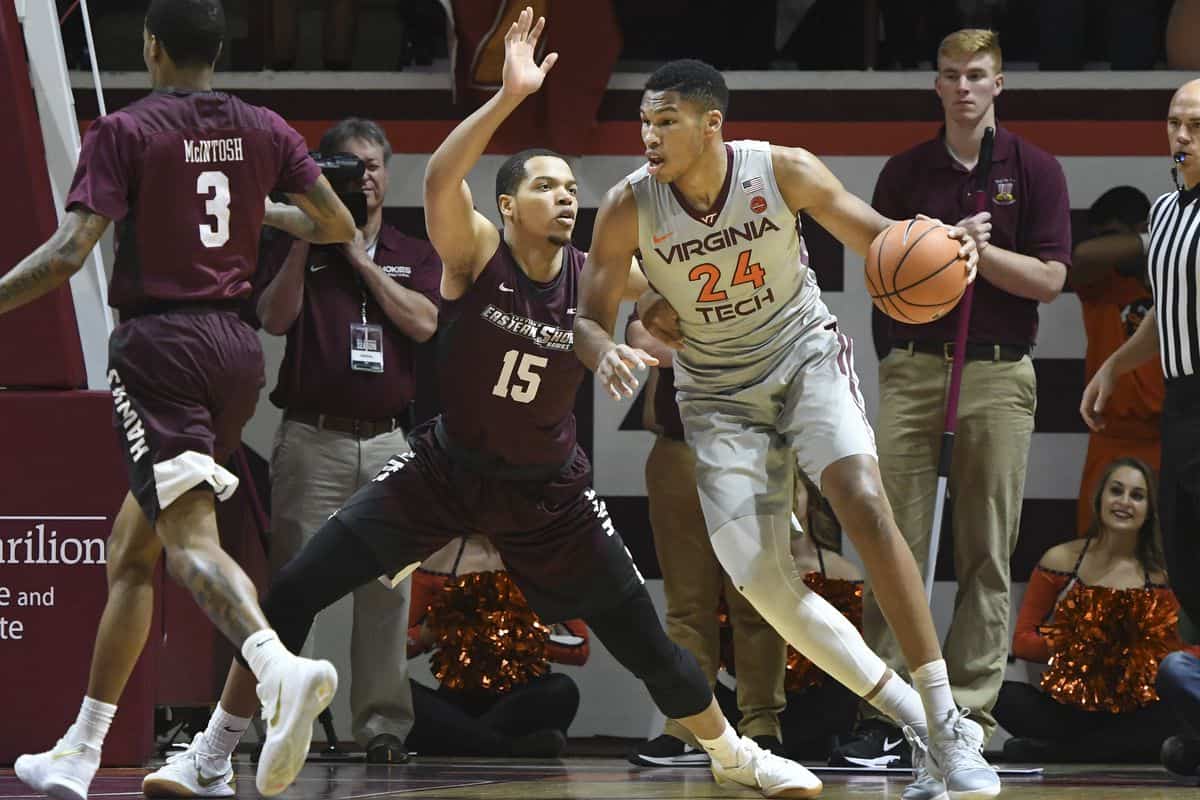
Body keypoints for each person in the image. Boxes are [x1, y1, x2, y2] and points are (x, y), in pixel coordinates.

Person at [142, 9, 822, 799]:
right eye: (545, 186)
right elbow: (437, 177)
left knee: (645, 639)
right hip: (444, 470)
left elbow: (683, 304)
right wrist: (508, 96)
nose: (567, 198)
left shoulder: (599, 273)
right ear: (506, 206)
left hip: (548, 492)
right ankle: (213, 756)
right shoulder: (474, 253)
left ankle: (737, 755)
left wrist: (698, 326)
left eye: (572, 188)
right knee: (293, 589)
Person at [573, 56, 1001, 800]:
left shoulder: (782, 171)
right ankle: (921, 723)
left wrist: (948, 244)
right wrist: (608, 347)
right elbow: (585, 318)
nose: (648, 134)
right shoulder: (626, 206)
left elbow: (883, 241)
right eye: (643, 120)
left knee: (863, 499)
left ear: (712, 125)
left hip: (802, 353)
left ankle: (947, 717)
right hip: (712, 390)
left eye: (665, 120)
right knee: (763, 583)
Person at [0, 2, 358, 799]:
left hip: (161, 346)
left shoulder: (125, 131)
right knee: (134, 550)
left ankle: (275, 667)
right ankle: (82, 748)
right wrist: (256, 204)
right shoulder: (264, 128)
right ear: (220, 51)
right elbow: (336, 227)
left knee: (187, 534)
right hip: (235, 354)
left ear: (152, 46)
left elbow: (67, 255)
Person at [844, 27, 1071, 765]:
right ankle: (889, 713)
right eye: (952, 75)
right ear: (936, 85)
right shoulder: (905, 172)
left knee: (986, 549)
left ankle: (970, 713)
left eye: (978, 75)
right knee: (892, 543)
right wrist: (936, 246)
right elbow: (883, 274)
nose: (965, 87)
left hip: (1000, 371)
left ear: (999, 84)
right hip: (914, 367)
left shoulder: (1035, 169)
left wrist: (973, 251)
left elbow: (1049, 280)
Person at [251, 117, 440, 764]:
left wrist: (356, 252)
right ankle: (278, 722)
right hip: (312, 439)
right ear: (323, 174)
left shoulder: (413, 249)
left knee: (388, 591)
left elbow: (423, 324)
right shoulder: (293, 243)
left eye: (374, 165)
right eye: (348, 167)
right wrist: (313, 234)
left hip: (389, 443)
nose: (365, 177)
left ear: (388, 173)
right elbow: (273, 319)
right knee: (292, 584)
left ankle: (383, 727)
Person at [1082, 75, 1200, 783]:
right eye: (1173, 123)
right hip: (1182, 402)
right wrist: (1115, 368)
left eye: (1195, 124)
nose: (1181, 136)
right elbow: (1167, 309)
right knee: (1185, 566)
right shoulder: (1163, 211)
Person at [625, 310, 788, 766]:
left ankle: (762, 724)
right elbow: (645, 343)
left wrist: (688, 343)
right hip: (678, 450)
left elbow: (774, 349)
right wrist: (722, 345)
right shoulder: (668, 270)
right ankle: (689, 727)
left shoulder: (762, 273)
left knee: (756, 599)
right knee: (686, 602)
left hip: (753, 446)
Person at [995, 458, 1184, 763]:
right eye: (1116, 491)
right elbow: (1021, 640)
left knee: (1177, 713)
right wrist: (1075, 643)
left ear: (1150, 510)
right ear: (1099, 498)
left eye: (1137, 496)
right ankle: (1106, 750)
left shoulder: (1162, 575)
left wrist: (1140, 652)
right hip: (1069, 706)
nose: (1124, 502)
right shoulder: (1060, 560)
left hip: (1136, 710)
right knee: (999, 695)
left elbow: (1186, 652)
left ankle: (1061, 753)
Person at [715, 473, 862, 760]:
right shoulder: (745, 569)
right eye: (782, 491)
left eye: (796, 491)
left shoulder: (840, 569)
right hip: (752, 705)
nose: (789, 501)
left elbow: (855, 654)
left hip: (820, 706)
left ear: (812, 499)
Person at [405, 535, 586, 758]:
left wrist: (521, 635)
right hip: (456, 697)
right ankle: (506, 747)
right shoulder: (436, 561)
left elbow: (580, 648)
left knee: (562, 689)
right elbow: (401, 647)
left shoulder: (542, 564)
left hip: (519, 698)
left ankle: (459, 738)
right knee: (401, 694)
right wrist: (430, 632)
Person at [1071, 187, 1162, 534]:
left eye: (1113, 235)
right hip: (1111, 434)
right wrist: (1147, 243)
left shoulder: (1176, 279)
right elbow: (1085, 254)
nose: (1110, 248)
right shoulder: (1101, 284)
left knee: (1168, 559)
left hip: (1169, 436)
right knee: (1098, 549)